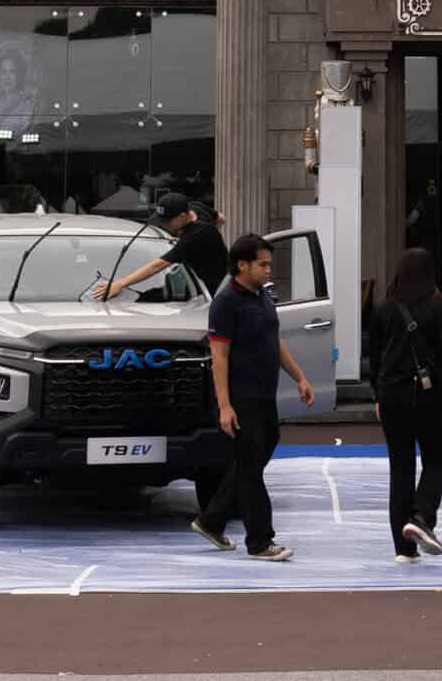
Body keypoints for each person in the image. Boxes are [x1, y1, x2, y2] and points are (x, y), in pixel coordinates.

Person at [192, 233, 316, 562]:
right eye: (263, 264)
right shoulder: (225, 303)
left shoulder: (263, 296)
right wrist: (225, 406)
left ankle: (211, 520)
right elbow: (219, 357)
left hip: (264, 395)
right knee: (250, 469)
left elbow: (275, 341)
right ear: (242, 265)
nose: (268, 270)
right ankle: (260, 541)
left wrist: (300, 377)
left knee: (255, 458)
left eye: (269, 264)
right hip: (241, 397)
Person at [367, 248, 442, 561]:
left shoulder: (384, 308)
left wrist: (377, 395)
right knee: (436, 460)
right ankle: (421, 517)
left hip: (390, 395)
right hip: (426, 393)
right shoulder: (439, 304)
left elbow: (374, 356)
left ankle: (403, 549)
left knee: (401, 469)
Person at [91, 193, 226, 299]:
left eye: (167, 221)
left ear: (182, 216)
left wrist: (121, 283)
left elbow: (158, 265)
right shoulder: (196, 208)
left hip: (215, 287)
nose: (163, 225)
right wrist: (212, 238)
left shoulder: (193, 237)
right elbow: (221, 218)